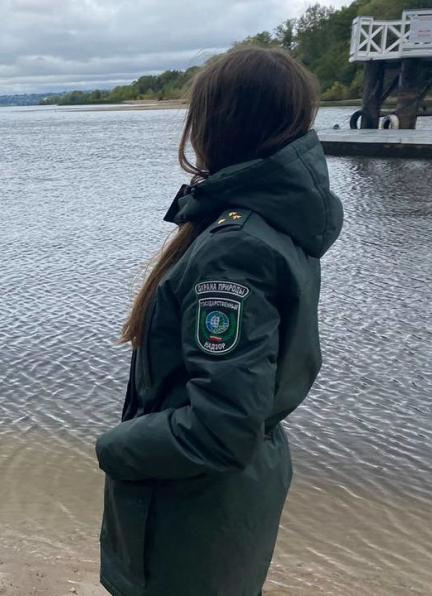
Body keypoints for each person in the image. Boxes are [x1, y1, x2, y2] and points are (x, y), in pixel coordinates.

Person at [95, 47, 344, 596]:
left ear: (215, 123)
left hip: (193, 514)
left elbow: (221, 428)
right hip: (226, 498)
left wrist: (116, 446)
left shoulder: (234, 248)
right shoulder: (277, 221)